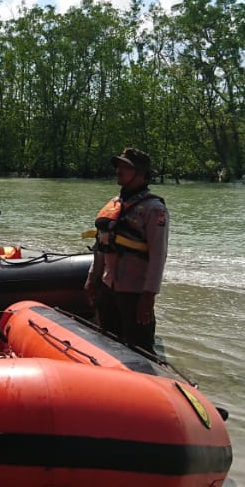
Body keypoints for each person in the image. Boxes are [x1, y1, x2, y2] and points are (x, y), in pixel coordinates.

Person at [83, 147, 168, 353]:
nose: (118, 171)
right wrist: (92, 278)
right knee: (107, 347)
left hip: (135, 294)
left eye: (125, 167)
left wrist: (149, 296)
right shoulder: (113, 205)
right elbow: (102, 245)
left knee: (141, 350)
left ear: (140, 174)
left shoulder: (154, 209)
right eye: (118, 166)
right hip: (108, 288)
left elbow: (159, 256)